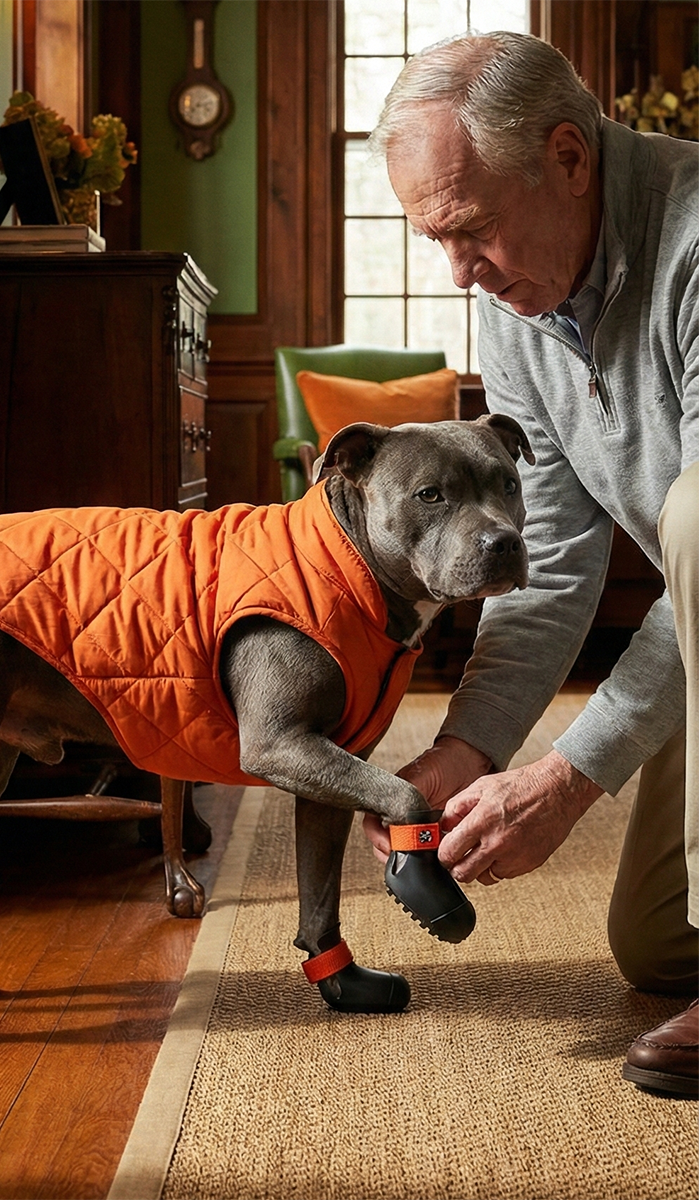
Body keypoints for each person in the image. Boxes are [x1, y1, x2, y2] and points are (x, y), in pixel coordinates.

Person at [364, 30, 699, 1099]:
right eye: (436, 239)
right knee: (660, 942)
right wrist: (466, 750)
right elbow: (547, 559)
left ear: (568, 156)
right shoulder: (517, 305)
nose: (460, 271)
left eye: (473, 229)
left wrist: (566, 779)